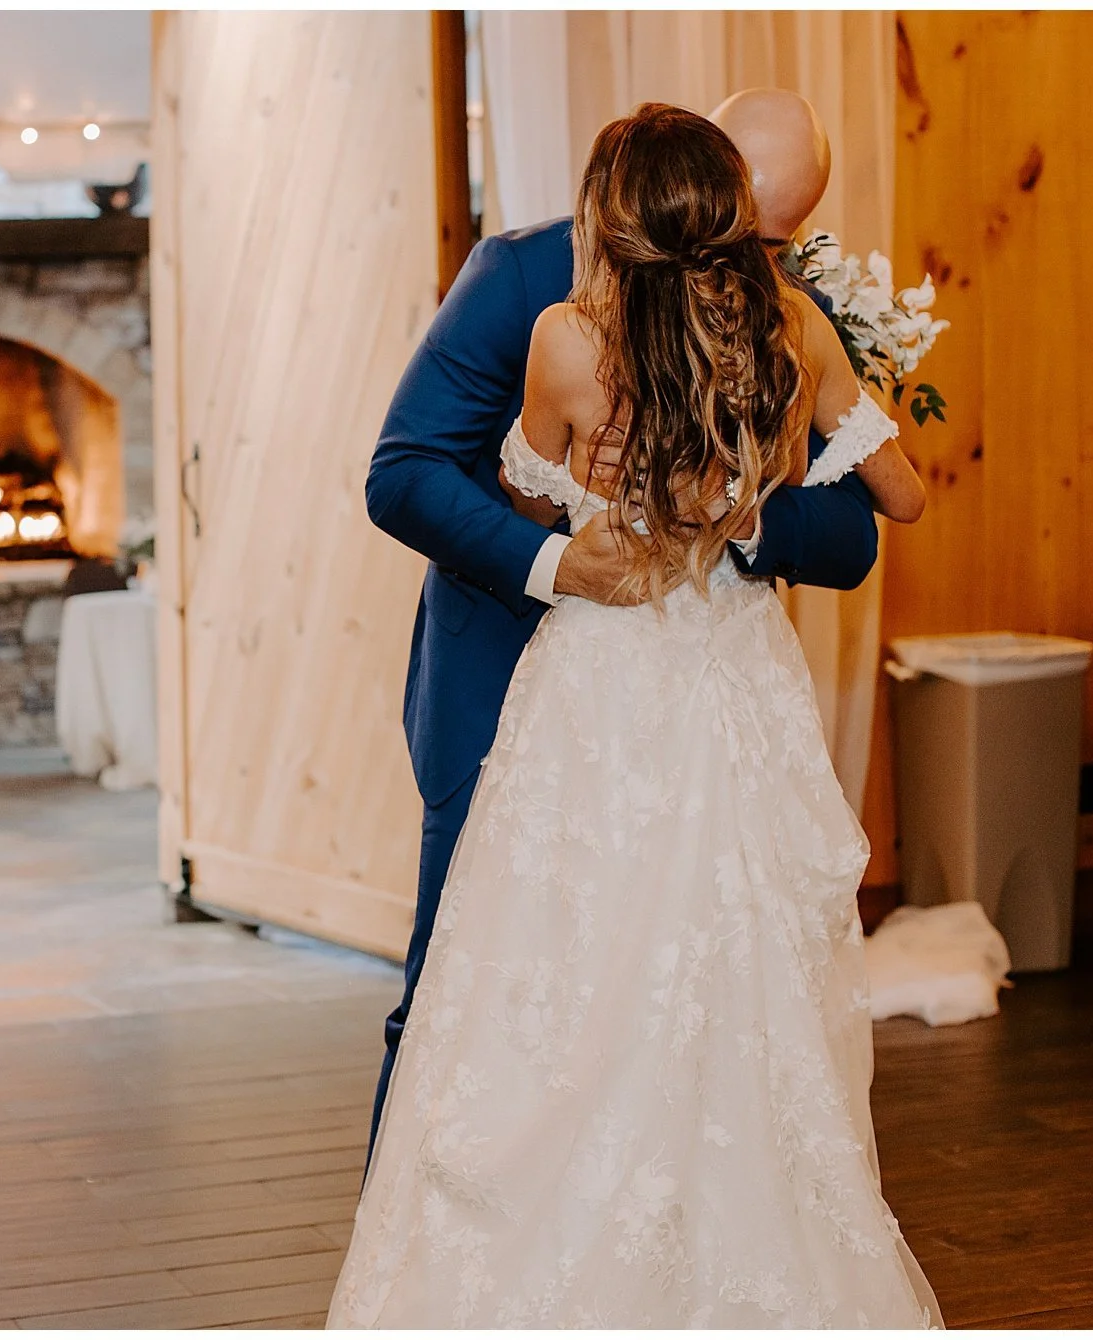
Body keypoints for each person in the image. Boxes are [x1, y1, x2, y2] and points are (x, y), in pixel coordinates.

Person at [327, 103, 937, 1327]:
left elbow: (845, 534)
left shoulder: (773, 310)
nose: (750, 260)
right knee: (477, 994)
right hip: (523, 674)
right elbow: (405, 472)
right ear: (709, 179)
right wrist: (560, 560)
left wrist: (731, 501)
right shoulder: (520, 283)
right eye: (749, 227)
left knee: (719, 993)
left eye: (777, 241)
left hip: (700, 695)